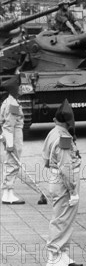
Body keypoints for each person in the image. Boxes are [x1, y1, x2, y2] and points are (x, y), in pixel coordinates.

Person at [42, 99, 83, 266]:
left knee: (65, 220)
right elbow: (66, 168)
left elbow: (45, 159)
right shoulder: (64, 137)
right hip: (64, 183)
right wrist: (73, 189)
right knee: (61, 220)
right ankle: (54, 258)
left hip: (56, 180)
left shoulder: (53, 132)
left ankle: (63, 254)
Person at [0, 77, 25, 205]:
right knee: (12, 164)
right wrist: (10, 144)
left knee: (11, 163)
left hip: (13, 136)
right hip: (14, 137)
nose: (21, 88)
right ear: (14, 89)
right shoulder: (13, 104)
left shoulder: (10, 101)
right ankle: (7, 194)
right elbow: (9, 125)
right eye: (19, 86)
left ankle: (8, 192)